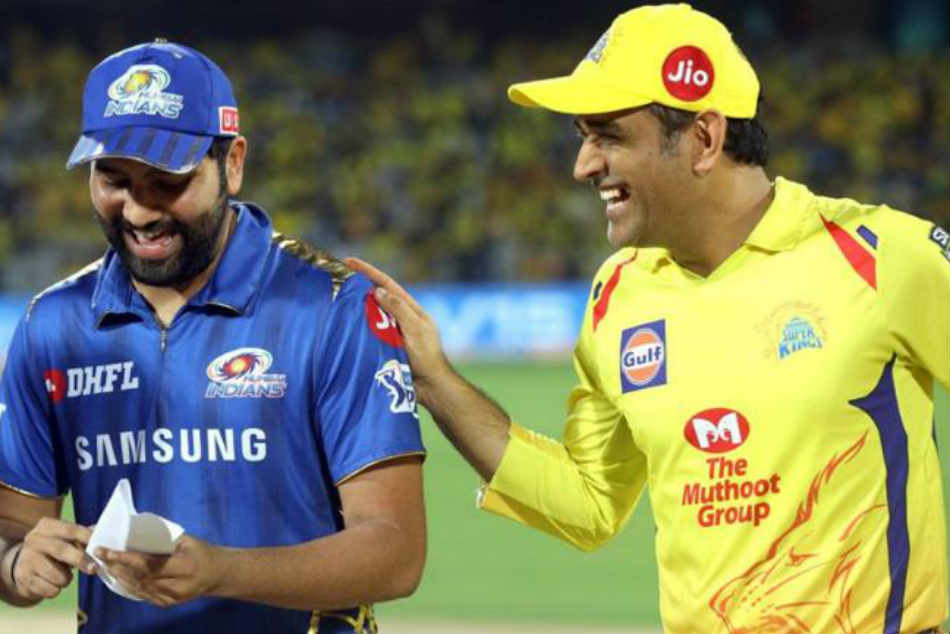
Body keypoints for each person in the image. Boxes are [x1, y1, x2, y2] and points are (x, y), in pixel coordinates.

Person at [347, 4, 950, 633]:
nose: (583, 166)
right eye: (583, 137)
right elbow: (588, 503)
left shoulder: (881, 258)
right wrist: (436, 381)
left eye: (609, 136)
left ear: (704, 139)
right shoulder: (619, 294)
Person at [0, 40, 426, 634]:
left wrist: (221, 572)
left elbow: (397, 553)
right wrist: (17, 564)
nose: (139, 212)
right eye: (114, 180)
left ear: (233, 162)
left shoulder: (332, 307)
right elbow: (14, 531)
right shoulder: (51, 324)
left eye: (166, 181)